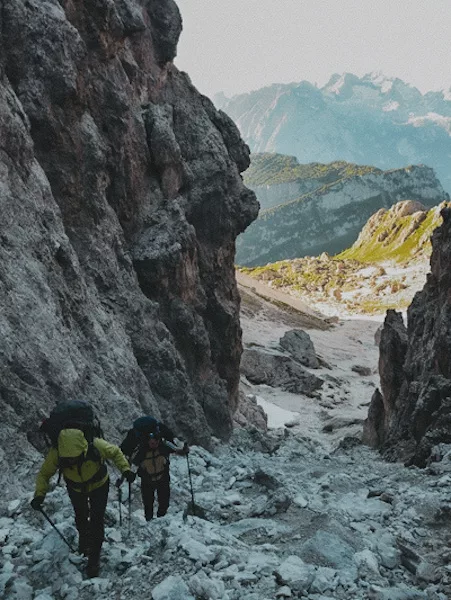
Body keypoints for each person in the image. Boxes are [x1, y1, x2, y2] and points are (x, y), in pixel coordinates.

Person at [31, 428, 134, 578]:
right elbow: (44, 474)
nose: (71, 461)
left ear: (83, 449)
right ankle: (84, 542)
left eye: (75, 457)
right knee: (80, 516)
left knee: (97, 519)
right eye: (68, 459)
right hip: (76, 488)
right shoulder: (57, 452)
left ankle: (94, 560)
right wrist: (39, 495)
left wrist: (125, 469)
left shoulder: (96, 445)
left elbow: (115, 452)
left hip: (99, 485)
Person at [120, 417, 189, 521]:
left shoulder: (163, 445)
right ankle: (150, 520)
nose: (154, 445)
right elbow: (131, 462)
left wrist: (184, 450)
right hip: (149, 478)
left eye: (156, 443)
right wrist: (128, 475)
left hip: (160, 476)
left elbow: (177, 449)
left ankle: (161, 519)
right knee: (149, 503)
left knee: (164, 502)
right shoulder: (142, 450)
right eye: (152, 443)